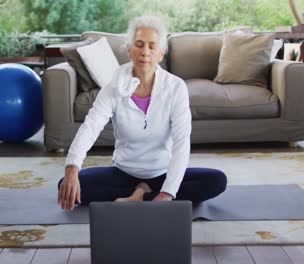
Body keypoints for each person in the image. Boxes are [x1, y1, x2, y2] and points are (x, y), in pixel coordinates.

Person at [58, 15, 227, 211]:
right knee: (65, 185)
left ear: (161, 54)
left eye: (152, 46)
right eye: (139, 44)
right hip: (124, 174)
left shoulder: (176, 88)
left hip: (162, 173)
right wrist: (72, 169)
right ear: (129, 50)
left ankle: (141, 196)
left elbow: (181, 142)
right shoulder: (113, 88)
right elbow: (90, 127)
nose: (145, 52)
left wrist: (167, 193)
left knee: (216, 181)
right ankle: (139, 191)